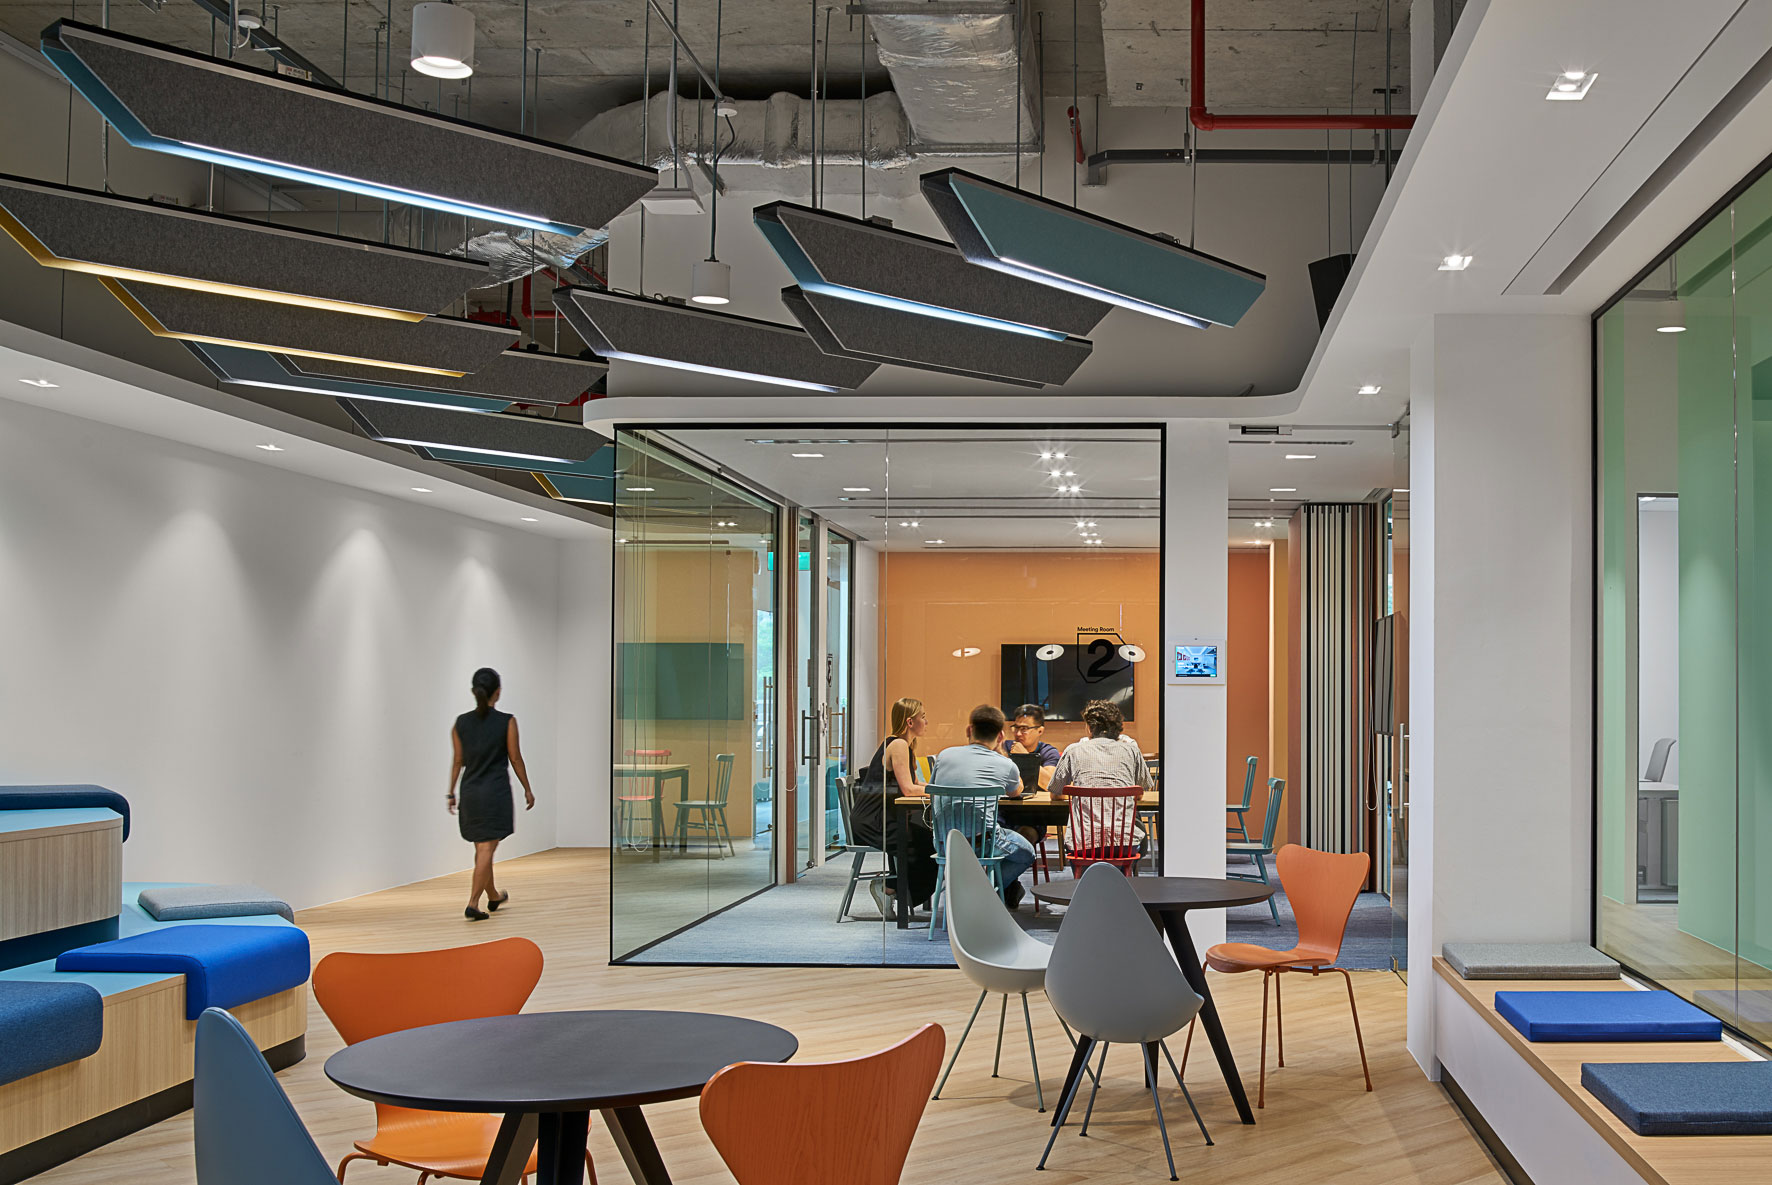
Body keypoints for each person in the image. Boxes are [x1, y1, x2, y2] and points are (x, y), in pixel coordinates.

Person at [447, 668, 536, 921]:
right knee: (486, 849)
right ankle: (473, 903)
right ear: (497, 692)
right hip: (495, 793)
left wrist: (450, 792)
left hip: (470, 793)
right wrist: (527, 788)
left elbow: (458, 761)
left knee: (482, 848)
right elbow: (515, 758)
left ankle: (494, 895)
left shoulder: (460, 723)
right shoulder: (507, 722)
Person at [930, 704, 1040, 909]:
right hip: (983, 843)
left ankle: (972, 891)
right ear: (1000, 736)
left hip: (945, 843)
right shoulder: (1005, 764)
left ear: (969, 730)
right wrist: (1001, 753)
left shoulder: (944, 756)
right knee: (1027, 853)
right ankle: (985, 892)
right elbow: (1016, 791)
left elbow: (934, 787)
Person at [852, 697, 938, 918]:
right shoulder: (898, 745)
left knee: (924, 838)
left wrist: (939, 787)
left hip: (882, 817)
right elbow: (909, 790)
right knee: (928, 844)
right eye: (923, 717)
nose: (926, 721)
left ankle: (895, 888)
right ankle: (888, 888)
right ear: (910, 722)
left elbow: (916, 783)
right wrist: (941, 792)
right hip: (873, 821)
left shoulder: (902, 745)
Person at [1049, 699, 1153, 858]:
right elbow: (1139, 794)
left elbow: (1055, 794)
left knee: (1079, 848)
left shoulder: (1073, 751)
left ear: (1090, 727)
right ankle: (1122, 873)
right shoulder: (1131, 750)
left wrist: (1080, 796)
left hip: (1083, 845)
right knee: (1136, 835)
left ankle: (1085, 874)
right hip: (1125, 845)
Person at [1003, 703, 1061, 791]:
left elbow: (1049, 784)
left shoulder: (1048, 752)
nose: (1018, 734)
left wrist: (1026, 757)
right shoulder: (1005, 747)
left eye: (1024, 729)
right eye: (1016, 727)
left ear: (1040, 731)